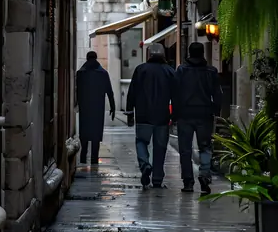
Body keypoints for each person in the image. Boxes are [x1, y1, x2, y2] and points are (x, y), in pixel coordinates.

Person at [172, 41, 223, 194]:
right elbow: (217, 94)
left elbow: (175, 93)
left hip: (185, 114)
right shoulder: (211, 71)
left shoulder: (181, 70)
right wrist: (216, 111)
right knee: (205, 147)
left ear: (189, 53)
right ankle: (204, 175)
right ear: (202, 53)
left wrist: (175, 113)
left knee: (185, 150)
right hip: (204, 114)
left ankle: (188, 181)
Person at [126, 43, 175, 188]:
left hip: (143, 115)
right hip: (162, 116)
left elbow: (132, 92)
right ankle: (157, 179)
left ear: (149, 54)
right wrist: (175, 114)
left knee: (141, 142)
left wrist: (130, 112)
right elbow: (176, 94)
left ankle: (145, 165)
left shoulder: (140, 70)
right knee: (160, 147)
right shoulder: (169, 71)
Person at [75, 50, 115, 165]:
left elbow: (76, 90)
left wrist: (76, 103)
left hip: (85, 107)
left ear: (87, 58)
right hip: (98, 107)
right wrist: (112, 107)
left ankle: (83, 157)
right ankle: (94, 158)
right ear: (96, 58)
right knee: (96, 135)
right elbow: (109, 91)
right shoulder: (103, 73)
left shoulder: (80, 73)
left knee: (84, 133)